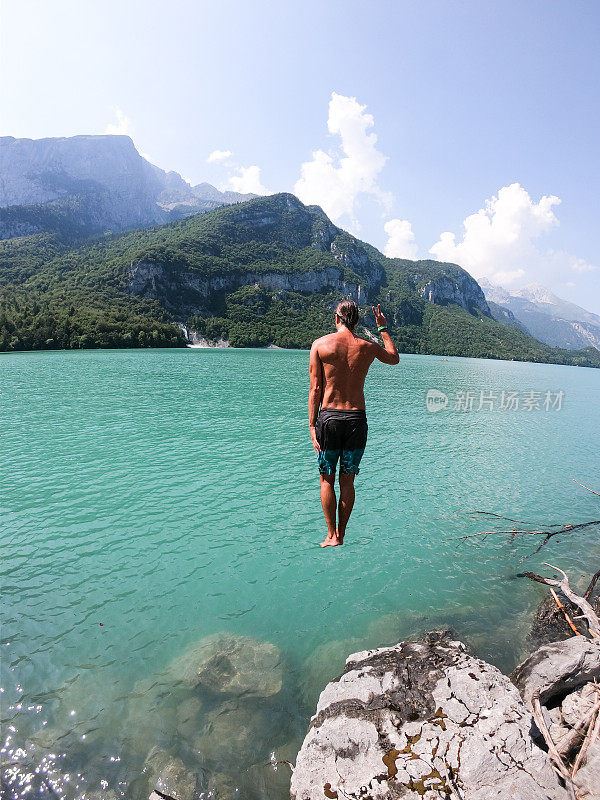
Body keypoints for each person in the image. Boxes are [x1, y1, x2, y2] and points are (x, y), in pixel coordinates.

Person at [309, 300, 399, 547]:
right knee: (347, 480)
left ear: (336, 318)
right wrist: (382, 328)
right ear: (357, 321)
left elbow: (316, 388)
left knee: (326, 479)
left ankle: (331, 535)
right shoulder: (367, 347)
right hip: (356, 421)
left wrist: (311, 425)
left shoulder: (320, 345)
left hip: (328, 419)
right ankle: (343, 532)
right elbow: (394, 358)